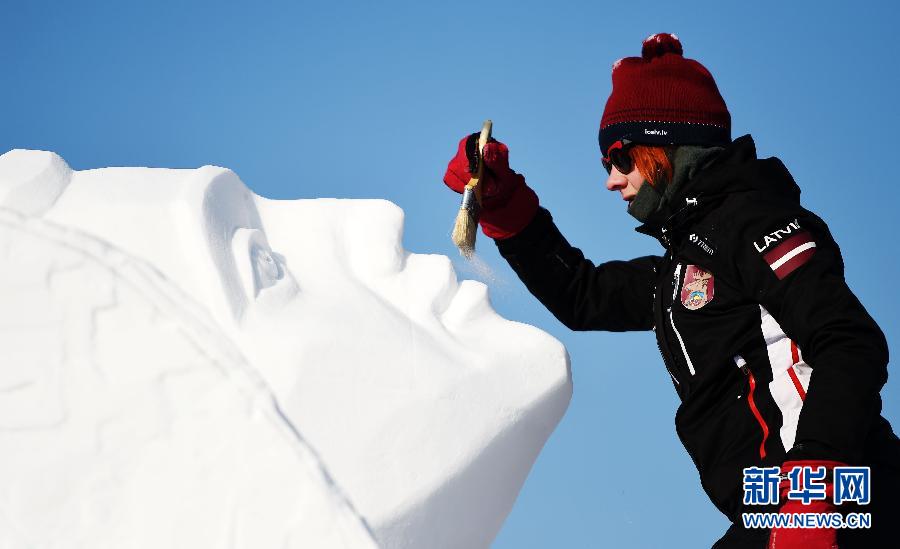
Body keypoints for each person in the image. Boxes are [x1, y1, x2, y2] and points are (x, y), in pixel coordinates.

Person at [442, 33, 900, 548]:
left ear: (665, 145)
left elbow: (849, 341)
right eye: (604, 166)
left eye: (619, 157)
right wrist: (505, 204)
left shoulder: (757, 224)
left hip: (844, 503)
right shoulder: (682, 268)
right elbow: (582, 294)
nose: (611, 180)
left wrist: (813, 490)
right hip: (779, 514)